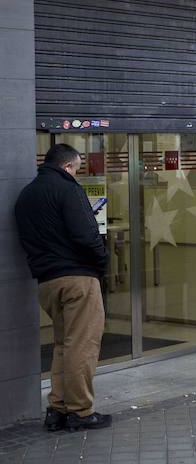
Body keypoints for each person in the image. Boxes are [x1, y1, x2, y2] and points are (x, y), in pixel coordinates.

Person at [14, 143, 111, 431]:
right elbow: (86, 234)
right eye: (77, 168)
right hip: (78, 279)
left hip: (47, 282)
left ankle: (57, 409)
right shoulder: (68, 190)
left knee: (62, 346)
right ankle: (81, 411)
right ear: (67, 166)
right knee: (83, 346)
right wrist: (102, 263)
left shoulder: (26, 195)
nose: (77, 173)